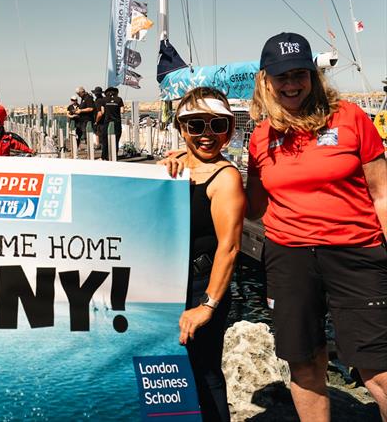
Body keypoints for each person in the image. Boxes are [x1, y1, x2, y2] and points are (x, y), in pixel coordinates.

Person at [164, 32, 387, 421]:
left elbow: (381, 194)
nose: (291, 84)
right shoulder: (262, 136)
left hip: (355, 252)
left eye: (300, 74)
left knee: (377, 369)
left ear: (313, 77)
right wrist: (196, 160)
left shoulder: (350, 117)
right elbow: (253, 207)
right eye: (281, 76)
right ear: (266, 80)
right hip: (290, 258)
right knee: (304, 364)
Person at [173, 87, 245, 422]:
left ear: (229, 130)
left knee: (204, 372)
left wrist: (207, 306)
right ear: (181, 128)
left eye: (217, 125)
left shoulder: (225, 178)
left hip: (202, 286)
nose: (207, 135)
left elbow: (229, 248)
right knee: (171, 369)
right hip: (169, 283)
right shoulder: (173, 168)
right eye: (196, 125)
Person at [96, 86, 124, 160]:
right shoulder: (119, 99)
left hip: (107, 122)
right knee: (116, 140)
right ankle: (114, 156)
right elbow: (122, 111)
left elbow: (102, 112)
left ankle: (104, 157)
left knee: (105, 141)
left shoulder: (104, 100)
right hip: (117, 122)